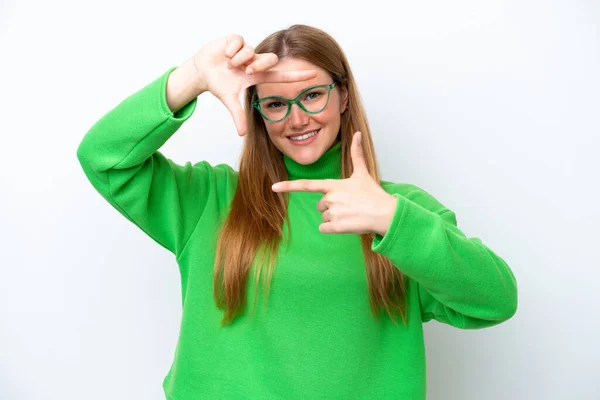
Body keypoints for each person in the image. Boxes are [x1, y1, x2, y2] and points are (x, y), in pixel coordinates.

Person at [76, 24, 518, 400]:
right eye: (275, 104)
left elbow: (495, 300)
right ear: (258, 111)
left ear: (343, 96)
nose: (296, 118)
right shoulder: (207, 199)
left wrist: (390, 218)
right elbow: (103, 158)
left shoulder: (398, 212)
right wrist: (192, 76)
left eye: (312, 95)